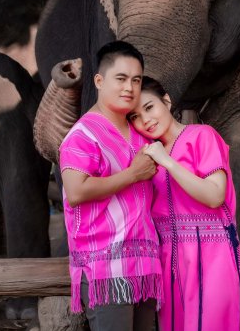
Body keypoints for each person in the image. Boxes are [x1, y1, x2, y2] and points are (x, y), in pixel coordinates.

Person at [128, 76, 240, 331]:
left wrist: (168, 162)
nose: (145, 120)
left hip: (212, 257)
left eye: (149, 107)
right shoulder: (145, 158)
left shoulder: (202, 136)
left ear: (167, 101)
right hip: (169, 260)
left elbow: (215, 196)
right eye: (135, 116)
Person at [59, 41, 162, 331]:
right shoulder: (82, 136)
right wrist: (132, 174)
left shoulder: (141, 134)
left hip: (144, 265)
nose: (130, 87)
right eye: (121, 78)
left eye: (136, 80)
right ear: (99, 81)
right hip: (106, 270)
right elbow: (77, 191)